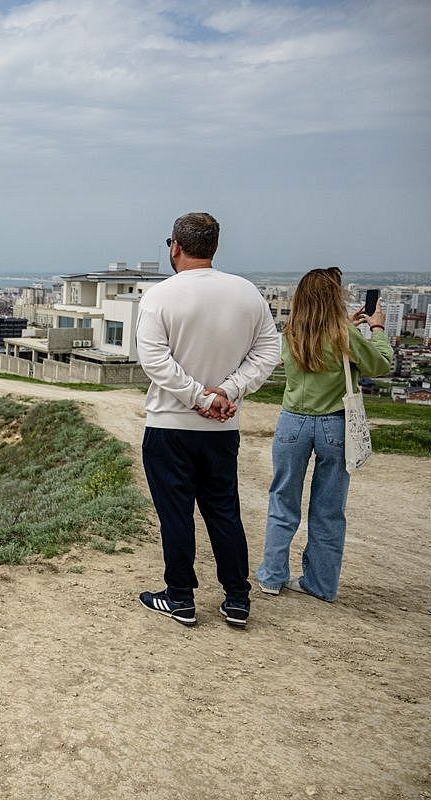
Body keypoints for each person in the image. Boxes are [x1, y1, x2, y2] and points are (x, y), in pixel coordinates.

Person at [135, 212, 281, 628]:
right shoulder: (246, 293)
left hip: (169, 425)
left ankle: (180, 598)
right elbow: (269, 351)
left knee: (176, 515)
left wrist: (198, 397)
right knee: (224, 511)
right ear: (214, 247)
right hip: (222, 428)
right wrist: (228, 391)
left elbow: (155, 362)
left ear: (175, 247)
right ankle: (237, 598)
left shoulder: (160, 296)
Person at [255, 268, 393, 601]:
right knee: (329, 509)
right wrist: (377, 328)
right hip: (334, 423)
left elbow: (314, 342)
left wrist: (345, 325)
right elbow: (382, 365)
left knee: (282, 500)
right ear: (334, 297)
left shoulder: (289, 332)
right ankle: (320, 584)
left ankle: (272, 576)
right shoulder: (343, 335)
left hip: (292, 422)